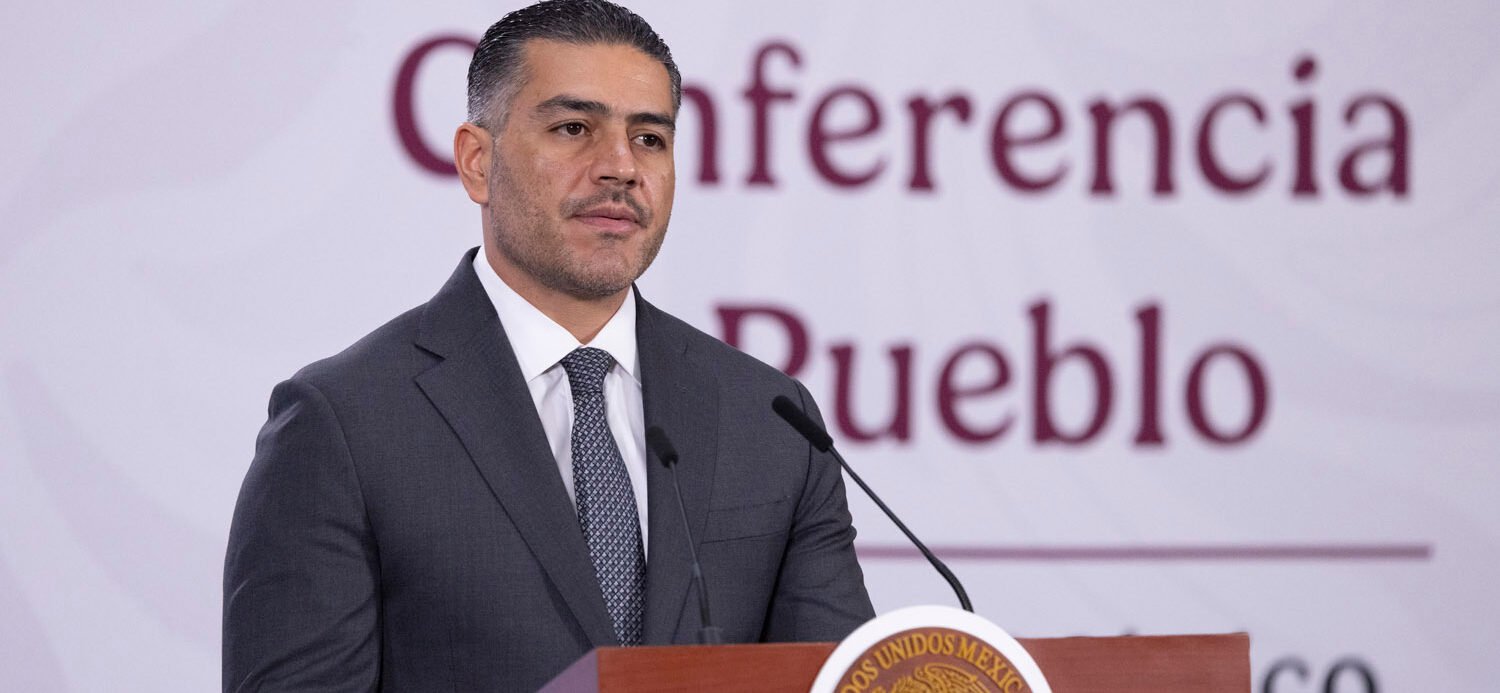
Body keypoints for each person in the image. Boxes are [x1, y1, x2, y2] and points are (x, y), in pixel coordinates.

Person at [221, 1, 874, 690]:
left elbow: (837, 677)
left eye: (649, 138)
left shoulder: (769, 418)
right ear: (477, 162)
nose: (620, 166)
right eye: (573, 128)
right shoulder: (345, 423)